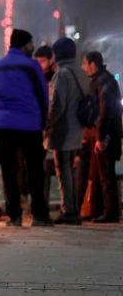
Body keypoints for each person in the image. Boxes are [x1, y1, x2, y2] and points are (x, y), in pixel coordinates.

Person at [0, 29, 52, 227]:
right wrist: (43, 123)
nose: (32, 48)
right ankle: (39, 215)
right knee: (34, 170)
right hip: (28, 124)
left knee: (8, 170)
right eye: (31, 45)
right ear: (25, 45)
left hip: (2, 125)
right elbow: (43, 96)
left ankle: (14, 216)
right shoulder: (31, 66)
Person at [47, 37, 88, 225]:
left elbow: (58, 104)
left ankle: (69, 211)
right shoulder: (80, 72)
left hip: (64, 129)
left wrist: (48, 123)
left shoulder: (62, 73)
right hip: (77, 129)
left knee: (63, 169)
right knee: (70, 169)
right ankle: (73, 208)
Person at [82, 52, 122, 223]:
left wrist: (100, 137)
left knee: (106, 174)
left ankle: (110, 212)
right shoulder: (102, 80)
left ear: (93, 65)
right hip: (103, 134)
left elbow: (105, 112)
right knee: (98, 174)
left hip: (106, 136)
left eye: (84, 63)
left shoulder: (104, 82)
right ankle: (97, 210)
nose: (83, 67)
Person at [34, 45, 57, 204]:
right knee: (38, 169)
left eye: (42, 61)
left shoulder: (56, 78)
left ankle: (44, 204)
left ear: (50, 60)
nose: (39, 64)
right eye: (37, 61)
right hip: (36, 127)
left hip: (52, 129)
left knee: (47, 168)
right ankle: (39, 203)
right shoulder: (34, 77)